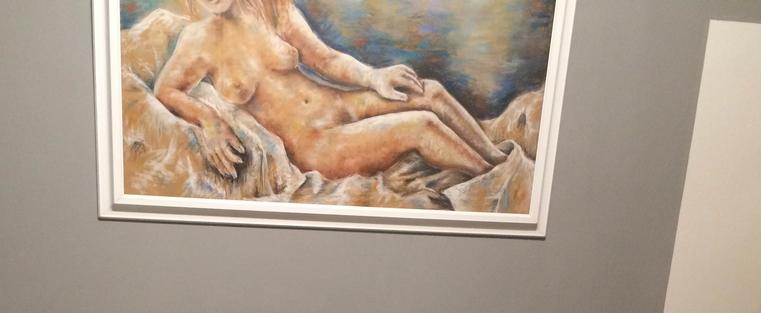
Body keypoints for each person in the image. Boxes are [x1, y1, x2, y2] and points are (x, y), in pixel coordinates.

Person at [153, 0, 508, 180]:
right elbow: (166, 90)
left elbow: (325, 58)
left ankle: (496, 158)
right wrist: (209, 119)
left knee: (429, 92)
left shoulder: (272, 10)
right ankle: (492, 178)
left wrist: (373, 76)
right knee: (421, 126)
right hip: (315, 144)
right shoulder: (199, 40)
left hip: (338, 104)